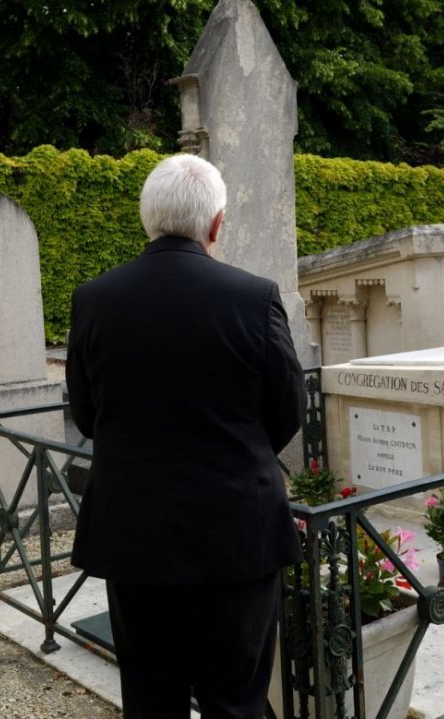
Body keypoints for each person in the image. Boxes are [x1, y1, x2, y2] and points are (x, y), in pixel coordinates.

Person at [68, 154, 306, 718]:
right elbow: (287, 410)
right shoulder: (254, 297)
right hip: (235, 527)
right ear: (217, 224)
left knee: (150, 697)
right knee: (237, 699)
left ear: (147, 220)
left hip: (134, 527)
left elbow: (85, 413)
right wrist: (236, 456)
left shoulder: (95, 298)